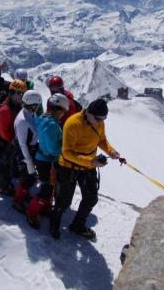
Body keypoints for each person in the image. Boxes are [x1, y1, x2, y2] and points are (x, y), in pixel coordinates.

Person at [49, 98, 121, 240]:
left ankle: (77, 225)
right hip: (69, 167)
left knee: (91, 198)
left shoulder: (98, 122)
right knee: (64, 201)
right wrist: (91, 161)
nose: (101, 121)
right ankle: (54, 224)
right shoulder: (73, 123)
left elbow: (101, 139)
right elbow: (67, 153)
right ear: (89, 113)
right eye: (99, 118)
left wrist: (110, 151)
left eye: (104, 118)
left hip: (88, 166)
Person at [25, 93, 69, 229]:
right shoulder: (51, 125)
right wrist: (64, 150)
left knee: (49, 186)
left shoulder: (44, 119)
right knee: (47, 189)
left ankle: (44, 206)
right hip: (47, 161)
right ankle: (32, 212)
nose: (63, 114)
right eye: (63, 111)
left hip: (43, 159)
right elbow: (52, 148)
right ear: (58, 109)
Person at [0, 79, 27, 195]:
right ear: (12, 93)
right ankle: (1, 186)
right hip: (4, 141)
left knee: (9, 162)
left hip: (12, 140)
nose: (21, 96)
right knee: (4, 164)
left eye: (23, 93)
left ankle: (7, 180)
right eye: (19, 93)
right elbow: (3, 131)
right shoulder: (5, 109)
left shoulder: (17, 105)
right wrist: (13, 140)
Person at [12, 90, 42, 214]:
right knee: (26, 178)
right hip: (25, 152)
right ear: (33, 104)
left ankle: (23, 195)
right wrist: (29, 161)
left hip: (30, 149)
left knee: (29, 177)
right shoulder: (22, 120)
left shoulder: (29, 114)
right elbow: (22, 143)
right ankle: (17, 200)